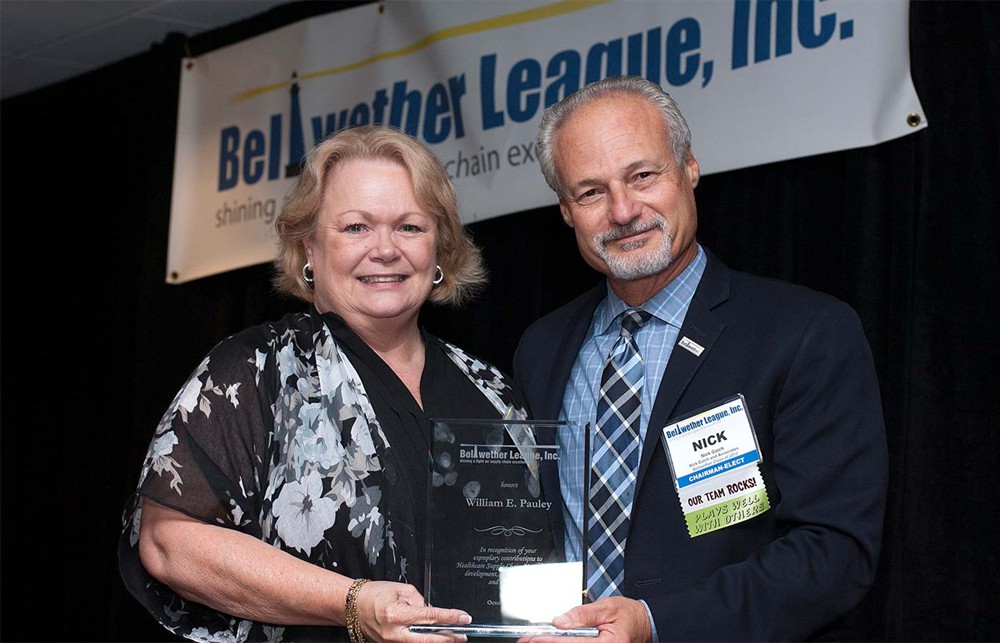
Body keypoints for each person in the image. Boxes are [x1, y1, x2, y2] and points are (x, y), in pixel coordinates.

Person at [513, 76, 888, 641]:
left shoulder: (805, 333)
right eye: (591, 192)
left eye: (643, 175)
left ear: (689, 167)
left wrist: (655, 624)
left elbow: (834, 551)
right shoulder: (541, 349)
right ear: (566, 211)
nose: (622, 210)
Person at [119, 125, 527, 642]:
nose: (385, 249)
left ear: (441, 249)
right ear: (309, 247)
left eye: (410, 227)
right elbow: (168, 542)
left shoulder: (494, 391)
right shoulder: (256, 370)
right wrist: (352, 603)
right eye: (356, 227)